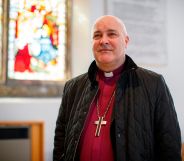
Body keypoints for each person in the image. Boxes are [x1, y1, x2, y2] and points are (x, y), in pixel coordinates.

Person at [53, 15, 181, 161]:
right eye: (97, 35)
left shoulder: (153, 84)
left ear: (126, 41)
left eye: (112, 34)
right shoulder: (73, 87)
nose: (103, 40)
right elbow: (60, 141)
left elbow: (169, 145)